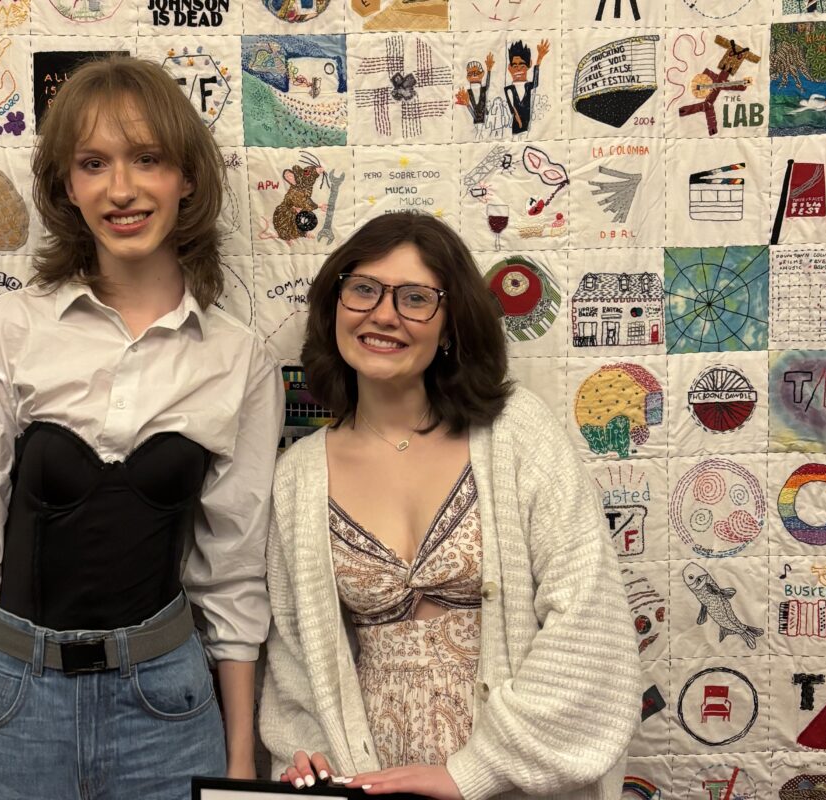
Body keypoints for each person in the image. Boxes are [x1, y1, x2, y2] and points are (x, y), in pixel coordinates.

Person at [0, 56, 282, 800]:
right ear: (66, 187)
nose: (122, 189)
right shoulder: (5, 332)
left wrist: (241, 767)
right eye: (94, 163)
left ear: (186, 179)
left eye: (148, 159)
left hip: (170, 709)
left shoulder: (238, 359)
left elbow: (235, 572)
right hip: (15, 705)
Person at [259, 212, 640, 799]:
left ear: (451, 326)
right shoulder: (298, 476)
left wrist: (476, 772)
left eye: (415, 298)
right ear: (334, 305)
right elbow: (296, 658)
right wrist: (306, 758)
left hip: (520, 780)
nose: (382, 314)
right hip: (372, 778)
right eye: (363, 289)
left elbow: (589, 624)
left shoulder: (517, 434)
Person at [504, 39, 548, 134]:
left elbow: (536, 82)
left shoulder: (528, 86)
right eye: (515, 66)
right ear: (509, 68)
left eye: (522, 65)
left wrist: (539, 59)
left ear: (529, 65)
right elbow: (512, 109)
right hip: (516, 127)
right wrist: (519, 122)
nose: (518, 68)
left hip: (529, 127)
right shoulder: (508, 89)